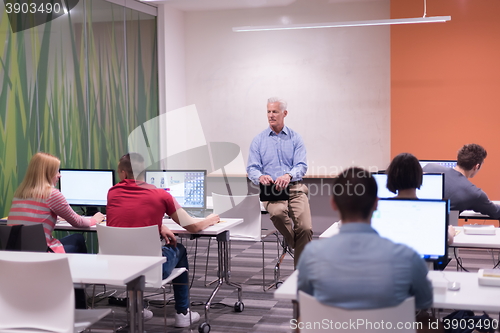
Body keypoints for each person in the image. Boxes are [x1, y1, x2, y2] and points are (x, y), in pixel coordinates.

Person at [106, 153, 220, 328]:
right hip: (153, 271)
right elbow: (193, 227)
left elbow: (130, 219)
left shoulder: (112, 193)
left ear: (122, 173)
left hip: (117, 267)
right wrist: (212, 219)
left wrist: (158, 226)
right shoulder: (160, 195)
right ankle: (183, 313)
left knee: (129, 253)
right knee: (178, 248)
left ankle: (136, 309)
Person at [297, 167, 433, 310]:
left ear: (333, 203)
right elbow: (425, 304)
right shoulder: (408, 257)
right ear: (376, 203)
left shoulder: (311, 255)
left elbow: (303, 304)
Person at [8, 152, 104, 308]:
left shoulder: (20, 194)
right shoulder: (52, 194)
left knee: (72, 242)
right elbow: (78, 221)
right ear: (47, 173)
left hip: (16, 256)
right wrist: (95, 219)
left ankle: (72, 297)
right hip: (42, 256)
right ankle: (78, 300)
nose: (59, 175)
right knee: (78, 239)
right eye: (56, 171)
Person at [247, 97, 312, 267]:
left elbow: (301, 165)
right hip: (272, 191)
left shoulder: (295, 138)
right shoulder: (258, 140)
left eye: (275, 111)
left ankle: (300, 276)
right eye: (268, 111)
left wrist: (288, 175)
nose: (271, 115)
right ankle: (297, 245)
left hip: (294, 188)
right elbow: (252, 168)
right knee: (277, 213)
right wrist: (260, 176)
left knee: (305, 229)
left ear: (285, 113)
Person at [387, 152, 455, 246]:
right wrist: (450, 233)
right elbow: (447, 240)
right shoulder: (431, 211)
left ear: (390, 176)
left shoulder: (380, 208)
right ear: (419, 176)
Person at [423, 144, 500, 218]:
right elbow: (495, 212)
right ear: (477, 166)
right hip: (443, 229)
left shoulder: (429, 167)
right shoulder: (474, 193)